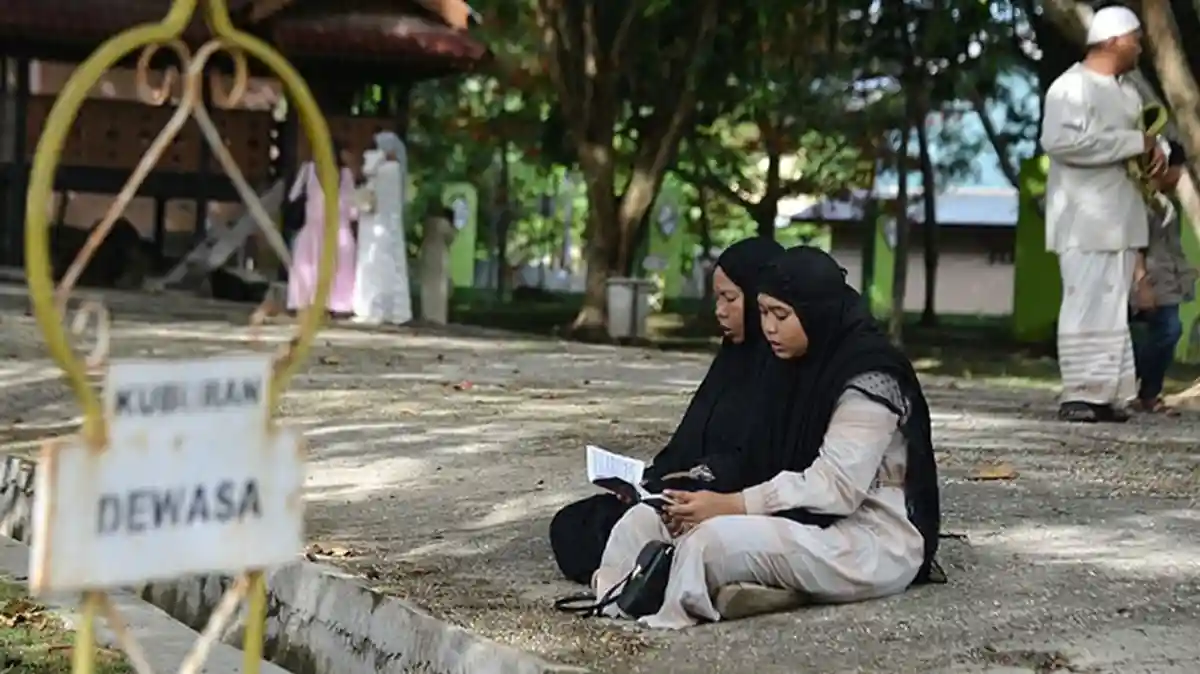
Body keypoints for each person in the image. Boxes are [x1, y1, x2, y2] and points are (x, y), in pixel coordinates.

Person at [592, 246, 942, 629]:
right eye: (763, 313)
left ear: (816, 312)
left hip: (865, 538)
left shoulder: (869, 375)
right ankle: (615, 604)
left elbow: (837, 487)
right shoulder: (788, 365)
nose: (770, 328)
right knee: (641, 521)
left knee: (708, 542)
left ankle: (675, 615)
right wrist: (690, 497)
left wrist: (731, 506)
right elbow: (755, 457)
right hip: (794, 519)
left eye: (782, 315)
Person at [548, 236, 784, 585]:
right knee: (573, 523)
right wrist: (644, 483)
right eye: (717, 298)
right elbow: (688, 441)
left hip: (728, 504)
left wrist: (695, 484)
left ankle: (668, 576)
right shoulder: (730, 361)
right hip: (679, 494)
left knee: (633, 533)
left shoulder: (781, 371)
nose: (719, 309)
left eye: (730, 298)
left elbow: (760, 462)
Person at [1040, 5, 1167, 423]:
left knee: (1113, 308)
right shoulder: (1069, 87)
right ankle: (1078, 393)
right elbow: (1060, 142)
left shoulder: (1128, 91)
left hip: (1121, 216)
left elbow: (1147, 141)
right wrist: (1134, 143)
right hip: (1083, 219)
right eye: (1135, 38)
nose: (1140, 46)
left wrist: (1157, 153)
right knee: (1085, 302)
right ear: (1114, 40)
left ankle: (1105, 394)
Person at [1131, 141, 1195, 414]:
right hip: (1147, 280)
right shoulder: (1139, 199)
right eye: (1177, 169)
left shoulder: (1164, 203)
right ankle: (1124, 385)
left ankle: (1148, 392)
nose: (1179, 175)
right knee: (1166, 330)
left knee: (1167, 331)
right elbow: (1134, 243)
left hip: (1166, 281)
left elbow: (1171, 247)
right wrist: (1141, 281)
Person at [286, 143, 359, 318]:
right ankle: (336, 305)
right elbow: (353, 209)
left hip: (314, 229)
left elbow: (292, 196)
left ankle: (308, 303)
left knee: (307, 266)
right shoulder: (346, 174)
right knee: (338, 268)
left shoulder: (309, 170)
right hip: (338, 230)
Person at [353, 131, 413, 326]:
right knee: (390, 267)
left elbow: (366, 171)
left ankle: (374, 308)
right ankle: (393, 309)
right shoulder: (395, 170)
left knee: (375, 266)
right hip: (389, 225)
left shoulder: (384, 168)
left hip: (376, 224)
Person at [419, 206, 458, 325]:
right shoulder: (445, 226)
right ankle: (438, 318)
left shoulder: (427, 224)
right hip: (440, 256)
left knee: (428, 288)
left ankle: (426, 315)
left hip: (427, 255)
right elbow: (451, 238)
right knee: (439, 290)